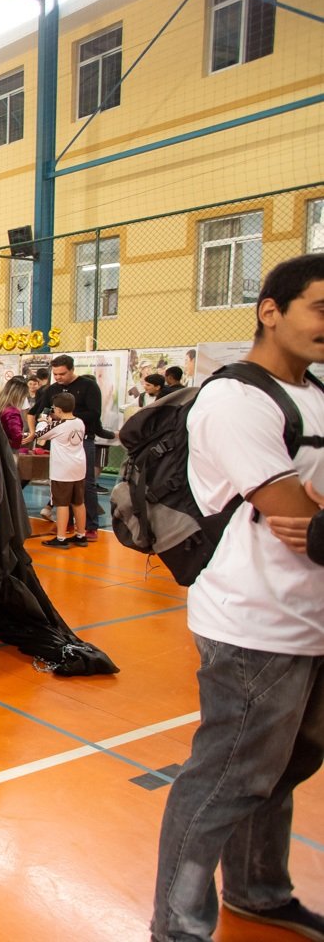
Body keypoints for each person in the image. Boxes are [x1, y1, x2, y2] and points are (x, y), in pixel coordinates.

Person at [151, 256, 324, 942]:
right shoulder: (236, 399)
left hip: (312, 620)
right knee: (227, 778)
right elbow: (295, 521)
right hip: (255, 626)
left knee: (281, 770)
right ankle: (178, 925)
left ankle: (257, 889)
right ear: (270, 310)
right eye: (321, 308)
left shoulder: (314, 392)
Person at [47, 355, 105, 539]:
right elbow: (41, 409)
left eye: (62, 373)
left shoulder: (88, 386)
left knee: (85, 484)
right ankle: (67, 524)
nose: (58, 377)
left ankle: (90, 526)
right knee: (64, 486)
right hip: (60, 442)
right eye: (55, 374)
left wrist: (67, 418)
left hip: (82, 441)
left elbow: (94, 413)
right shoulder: (53, 389)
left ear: (72, 369)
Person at [26, 393, 87, 549]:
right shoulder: (79, 422)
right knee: (79, 502)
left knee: (62, 504)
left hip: (62, 470)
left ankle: (60, 538)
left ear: (58, 410)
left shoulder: (58, 425)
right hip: (79, 468)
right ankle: (81, 535)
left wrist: (42, 421)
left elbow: (39, 435)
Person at [0, 377, 31, 450]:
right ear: (20, 395)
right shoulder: (12, 412)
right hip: (8, 449)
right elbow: (17, 435)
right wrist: (17, 446)